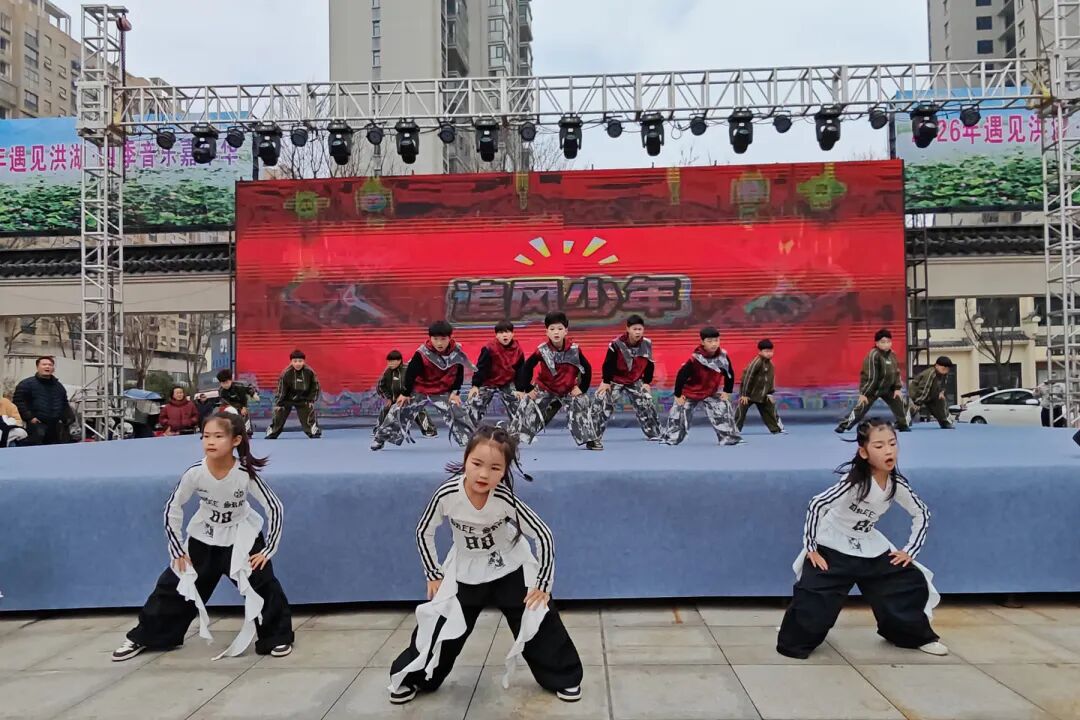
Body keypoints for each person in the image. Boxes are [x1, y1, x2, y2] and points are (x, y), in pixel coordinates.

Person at [388, 425, 583, 705]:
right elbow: (423, 530)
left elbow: (543, 534)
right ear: (465, 459)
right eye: (477, 463)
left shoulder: (503, 499)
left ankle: (564, 676)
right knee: (442, 624)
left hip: (509, 569)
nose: (483, 474)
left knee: (538, 617)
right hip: (465, 571)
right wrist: (433, 573)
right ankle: (414, 678)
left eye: (494, 468)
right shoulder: (447, 494)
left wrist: (542, 584)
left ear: (504, 471)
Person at [112, 411, 294, 662]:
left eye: (218, 436)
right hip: (204, 537)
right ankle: (147, 636)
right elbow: (172, 507)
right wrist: (177, 550)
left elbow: (274, 507)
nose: (210, 441)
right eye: (206, 436)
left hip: (241, 537)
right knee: (175, 585)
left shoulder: (244, 473)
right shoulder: (195, 473)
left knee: (263, 585)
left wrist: (267, 549)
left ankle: (277, 637)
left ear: (236, 440)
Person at [776, 418, 947, 660]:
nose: (888, 450)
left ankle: (912, 636)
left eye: (892, 444)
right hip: (833, 544)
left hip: (868, 544)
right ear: (864, 452)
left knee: (906, 581)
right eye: (879, 446)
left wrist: (909, 551)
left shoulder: (897, 485)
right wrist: (811, 547)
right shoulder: (853, 483)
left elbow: (922, 513)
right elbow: (817, 505)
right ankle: (794, 638)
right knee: (815, 598)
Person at [371, 321, 476, 451]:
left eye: (443, 339)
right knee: (399, 409)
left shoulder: (457, 353)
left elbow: (459, 373)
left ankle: (471, 442)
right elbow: (410, 374)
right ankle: (380, 438)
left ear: (450, 338)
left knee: (457, 409)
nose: (439, 343)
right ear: (430, 338)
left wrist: (455, 392)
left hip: (442, 390)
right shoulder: (422, 353)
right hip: (420, 389)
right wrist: (405, 393)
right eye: (435, 339)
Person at [513, 312, 601, 450]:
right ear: (547, 332)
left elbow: (587, 368)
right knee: (527, 405)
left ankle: (590, 439)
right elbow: (527, 367)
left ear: (566, 331)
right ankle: (513, 438)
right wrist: (528, 388)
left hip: (568, 390)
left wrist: (582, 388)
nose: (556, 332)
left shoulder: (574, 350)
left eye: (560, 329)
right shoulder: (542, 350)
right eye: (552, 329)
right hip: (545, 388)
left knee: (581, 401)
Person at [661, 327, 742, 446]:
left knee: (723, 408)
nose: (714, 344)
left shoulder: (723, 356)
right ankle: (671, 438)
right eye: (710, 341)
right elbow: (681, 376)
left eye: (716, 340)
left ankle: (729, 438)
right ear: (702, 342)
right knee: (678, 414)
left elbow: (729, 373)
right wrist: (678, 395)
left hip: (710, 392)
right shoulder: (695, 359)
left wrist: (727, 391)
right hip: (690, 393)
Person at [594, 315, 661, 442]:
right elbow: (608, 364)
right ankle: (593, 436)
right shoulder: (616, 344)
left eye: (640, 329)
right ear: (628, 329)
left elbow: (649, 363)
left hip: (635, 380)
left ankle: (655, 433)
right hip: (615, 379)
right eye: (634, 329)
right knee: (602, 402)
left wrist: (647, 382)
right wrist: (606, 382)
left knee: (646, 402)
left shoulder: (647, 343)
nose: (637, 332)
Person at [835, 329, 909, 433]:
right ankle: (844, 425)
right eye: (883, 342)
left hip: (888, 389)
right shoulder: (873, 355)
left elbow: (896, 372)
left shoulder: (892, 354)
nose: (886, 344)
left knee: (900, 404)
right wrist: (864, 394)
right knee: (860, 408)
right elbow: (871, 377)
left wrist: (897, 388)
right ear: (877, 343)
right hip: (873, 389)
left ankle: (903, 424)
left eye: (888, 341)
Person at [467, 320, 525, 426]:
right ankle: (468, 429)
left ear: (513, 334)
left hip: (507, 382)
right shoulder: (489, 348)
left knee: (520, 402)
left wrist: (520, 389)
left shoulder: (518, 350)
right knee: (475, 401)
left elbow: (520, 371)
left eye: (507, 332)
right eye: (501, 333)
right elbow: (481, 368)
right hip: (488, 382)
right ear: (496, 335)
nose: (504, 335)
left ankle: (519, 430)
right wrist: (475, 385)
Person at [377, 350, 437, 437]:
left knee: (419, 410)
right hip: (395, 400)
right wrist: (388, 397)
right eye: (389, 361)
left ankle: (430, 431)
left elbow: (419, 384)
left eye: (392, 361)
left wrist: (411, 395)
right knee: (385, 409)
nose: (390, 364)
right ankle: (379, 431)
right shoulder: (387, 372)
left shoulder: (408, 369)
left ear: (399, 360)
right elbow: (380, 386)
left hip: (411, 399)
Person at [13, 356, 70, 446]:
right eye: (44, 364)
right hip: (36, 426)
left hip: (55, 427)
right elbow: (18, 402)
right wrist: (30, 418)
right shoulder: (26, 384)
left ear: (53, 368)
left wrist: (66, 418)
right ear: (37, 367)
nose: (47, 367)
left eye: (50, 365)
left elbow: (64, 403)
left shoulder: (59, 386)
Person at [265, 349, 322, 440]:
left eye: (300, 361)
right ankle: (272, 432)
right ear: (291, 362)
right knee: (279, 412)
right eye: (295, 361)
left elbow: (315, 387)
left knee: (309, 413)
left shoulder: (310, 372)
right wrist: (278, 403)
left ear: (304, 361)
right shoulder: (286, 373)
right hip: (287, 399)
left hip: (303, 398)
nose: (297, 363)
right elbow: (281, 390)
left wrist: (311, 400)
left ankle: (313, 432)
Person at [734, 338, 784, 434]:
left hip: (762, 395)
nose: (769, 353)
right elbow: (748, 377)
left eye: (770, 351)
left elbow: (770, 380)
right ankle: (734, 430)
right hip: (749, 394)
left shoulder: (771, 365)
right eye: (766, 351)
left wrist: (770, 393)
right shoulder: (756, 362)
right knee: (741, 411)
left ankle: (776, 429)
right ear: (760, 352)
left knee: (770, 410)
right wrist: (744, 394)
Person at [200, 369, 259, 435]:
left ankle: (247, 431)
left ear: (231, 380)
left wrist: (253, 394)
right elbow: (225, 402)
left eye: (227, 382)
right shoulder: (221, 391)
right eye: (223, 383)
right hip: (230, 405)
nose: (225, 385)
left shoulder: (239, 386)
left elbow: (248, 390)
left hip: (241, 402)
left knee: (244, 414)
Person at [907, 357, 955, 429]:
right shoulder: (930, 374)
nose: (946, 369)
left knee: (941, 401)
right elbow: (923, 389)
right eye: (943, 367)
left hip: (930, 395)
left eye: (947, 368)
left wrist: (941, 392)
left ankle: (944, 421)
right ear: (936, 365)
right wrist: (918, 403)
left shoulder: (944, 374)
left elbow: (943, 385)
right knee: (912, 409)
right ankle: (903, 422)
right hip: (916, 395)